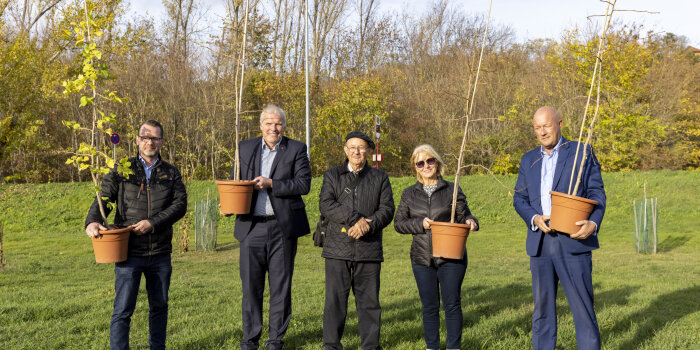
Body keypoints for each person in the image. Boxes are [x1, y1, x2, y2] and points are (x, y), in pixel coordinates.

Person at [85, 120, 187, 350]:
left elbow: (180, 205)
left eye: (155, 138)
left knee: (159, 307)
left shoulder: (171, 173)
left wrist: (153, 223)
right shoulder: (122, 169)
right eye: (145, 137)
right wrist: (93, 220)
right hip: (128, 251)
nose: (150, 142)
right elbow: (105, 197)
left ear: (161, 141)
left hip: (160, 252)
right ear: (137, 140)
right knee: (123, 309)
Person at [513, 106, 606, 350]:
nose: (542, 132)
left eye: (546, 126)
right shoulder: (528, 160)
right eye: (537, 128)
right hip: (540, 245)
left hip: (573, 241)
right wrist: (533, 218)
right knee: (542, 311)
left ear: (560, 123)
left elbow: (597, 192)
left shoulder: (581, 152)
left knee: (583, 310)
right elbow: (519, 199)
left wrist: (593, 223)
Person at [227, 104, 311, 350]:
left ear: (284, 126)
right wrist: (229, 202)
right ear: (260, 125)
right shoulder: (245, 148)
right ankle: (250, 339)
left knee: (280, 287)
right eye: (269, 124)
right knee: (250, 287)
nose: (274, 128)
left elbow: (303, 184)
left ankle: (275, 340)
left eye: (278, 124)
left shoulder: (296, 148)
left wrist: (272, 183)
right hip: (250, 227)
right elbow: (236, 182)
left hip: (282, 228)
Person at [394, 144, 478, 350]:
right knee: (429, 307)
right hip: (422, 259)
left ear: (437, 162)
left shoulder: (452, 188)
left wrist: (471, 221)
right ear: (415, 168)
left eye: (430, 160)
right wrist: (418, 224)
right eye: (420, 163)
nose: (426, 166)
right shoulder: (409, 194)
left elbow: (464, 214)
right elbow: (398, 223)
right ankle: (432, 346)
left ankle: (453, 347)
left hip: (451, 257)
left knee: (452, 304)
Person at [319, 131, 395, 350]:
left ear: (369, 151)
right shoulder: (332, 175)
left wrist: (368, 225)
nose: (356, 151)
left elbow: (387, 209)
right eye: (352, 147)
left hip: (369, 248)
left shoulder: (380, 177)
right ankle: (331, 346)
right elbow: (326, 204)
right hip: (337, 249)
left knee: (369, 303)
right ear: (345, 150)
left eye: (361, 147)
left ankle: (370, 346)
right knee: (334, 302)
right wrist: (356, 220)